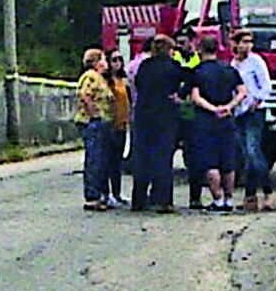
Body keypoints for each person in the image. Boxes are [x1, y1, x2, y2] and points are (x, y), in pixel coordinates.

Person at [131, 35, 194, 213]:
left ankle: (139, 199)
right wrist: (180, 95)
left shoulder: (144, 66)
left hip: (143, 115)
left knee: (142, 157)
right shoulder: (173, 67)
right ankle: (163, 200)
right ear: (169, 49)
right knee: (163, 158)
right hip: (165, 115)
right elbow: (192, 77)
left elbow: (138, 84)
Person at [191, 36, 247, 213]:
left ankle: (218, 199)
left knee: (210, 163)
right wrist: (228, 106)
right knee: (228, 161)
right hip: (227, 119)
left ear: (200, 49)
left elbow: (196, 98)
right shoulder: (229, 69)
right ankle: (230, 199)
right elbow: (242, 92)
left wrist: (213, 109)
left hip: (205, 121)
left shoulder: (197, 72)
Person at [231, 30, 275, 211]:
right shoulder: (234, 64)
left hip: (254, 111)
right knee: (246, 155)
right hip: (239, 112)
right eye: (243, 42)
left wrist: (256, 101)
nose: (247, 45)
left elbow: (266, 86)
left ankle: (268, 191)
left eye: (249, 42)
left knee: (253, 150)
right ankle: (250, 196)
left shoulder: (256, 62)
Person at [74, 48, 115, 212]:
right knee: (94, 159)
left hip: (101, 121)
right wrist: (94, 114)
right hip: (92, 122)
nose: (106, 63)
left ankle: (101, 194)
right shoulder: (91, 76)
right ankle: (92, 196)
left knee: (101, 159)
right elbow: (85, 95)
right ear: (96, 61)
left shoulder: (100, 78)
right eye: (103, 59)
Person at [171, 27, 204, 209]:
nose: (179, 46)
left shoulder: (198, 62)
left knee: (194, 157)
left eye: (182, 42)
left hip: (192, 113)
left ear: (192, 42)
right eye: (177, 43)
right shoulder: (173, 60)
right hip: (174, 113)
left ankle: (195, 197)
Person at [103, 48, 131, 207]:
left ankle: (117, 192)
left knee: (118, 161)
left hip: (122, 124)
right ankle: (107, 193)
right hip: (110, 124)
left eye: (120, 59)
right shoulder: (106, 82)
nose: (118, 63)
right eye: (114, 60)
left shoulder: (123, 80)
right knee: (109, 160)